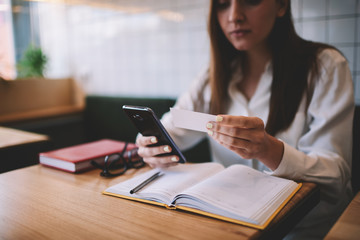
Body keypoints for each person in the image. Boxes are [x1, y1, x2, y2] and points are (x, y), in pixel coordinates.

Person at [136, 0, 355, 239]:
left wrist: (269, 150)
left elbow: (336, 174)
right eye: (222, 4)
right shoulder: (213, 76)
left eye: (250, 1)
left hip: (307, 231)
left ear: (281, 5)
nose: (234, 16)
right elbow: (172, 127)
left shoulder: (325, 66)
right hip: (231, 226)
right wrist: (149, 144)